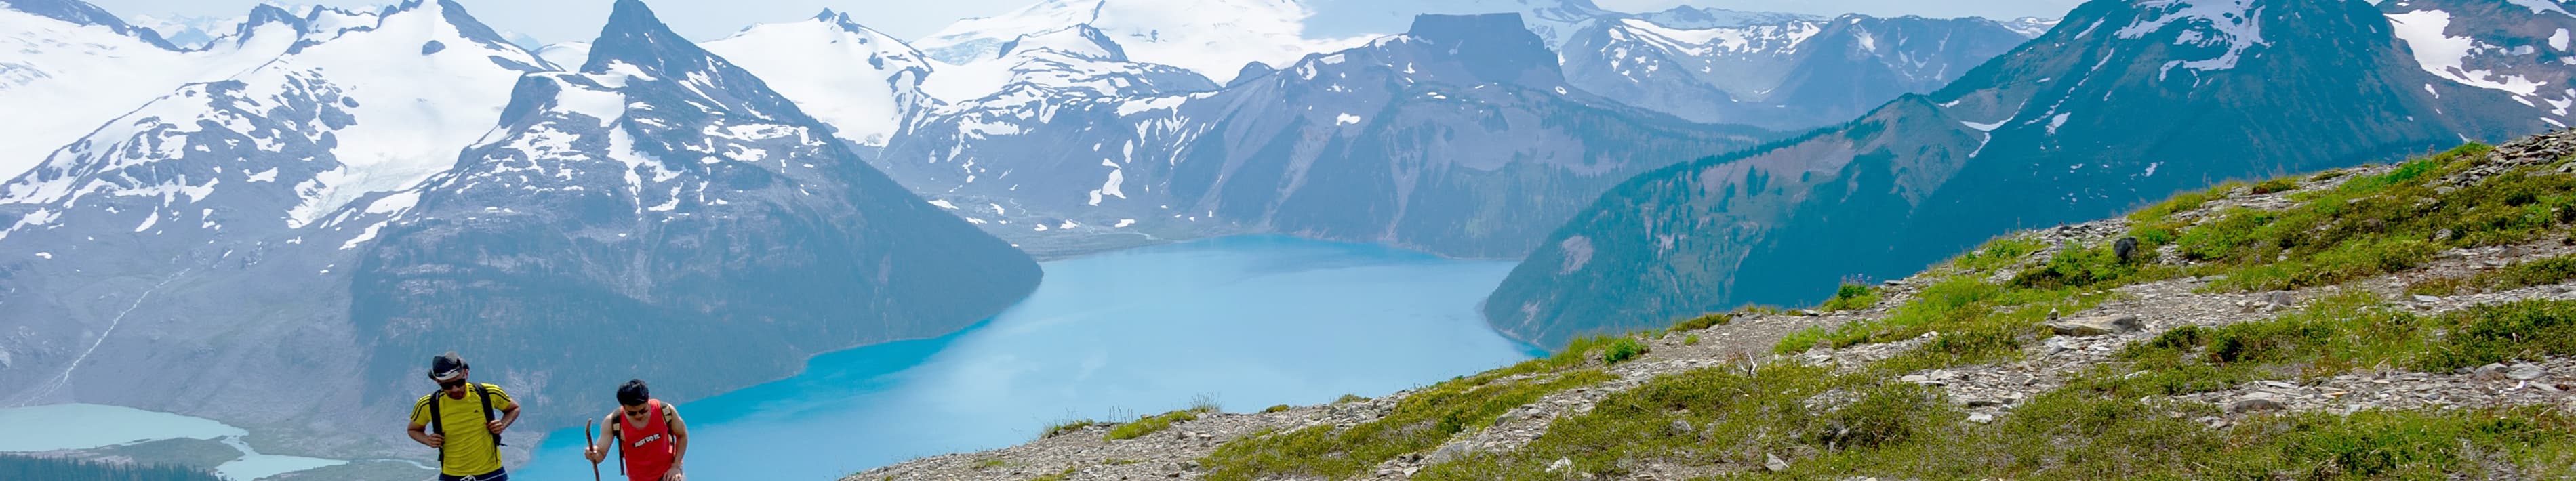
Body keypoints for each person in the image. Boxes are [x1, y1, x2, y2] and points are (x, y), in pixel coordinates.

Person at [407, 352, 520, 481]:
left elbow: (514, 408)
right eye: (447, 385)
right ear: (438, 382)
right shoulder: (429, 404)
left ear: (466, 373)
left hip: (492, 473)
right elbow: (413, 429)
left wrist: (502, 425)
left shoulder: (487, 393)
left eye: (459, 382)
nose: (455, 389)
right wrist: (428, 440)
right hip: (452, 475)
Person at [587, 379, 689, 481]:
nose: (639, 415)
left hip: (668, 475)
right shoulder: (614, 422)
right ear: (623, 406)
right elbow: (600, 454)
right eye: (632, 413)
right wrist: (593, 454)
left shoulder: (665, 411)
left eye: (643, 410)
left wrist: (676, 466)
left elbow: (682, 435)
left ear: (648, 399)